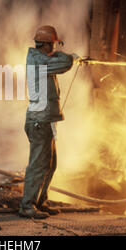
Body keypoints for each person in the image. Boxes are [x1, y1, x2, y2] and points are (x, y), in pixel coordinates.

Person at [19, 25, 80, 219]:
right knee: (38, 165)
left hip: (45, 121)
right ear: (45, 44)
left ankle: (39, 202)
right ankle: (27, 206)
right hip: (40, 121)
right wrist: (73, 57)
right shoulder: (38, 61)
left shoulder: (43, 59)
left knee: (50, 164)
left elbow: (58, 62)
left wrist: (65, 57)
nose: (54, 47)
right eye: (53, 44)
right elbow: (64, 63)